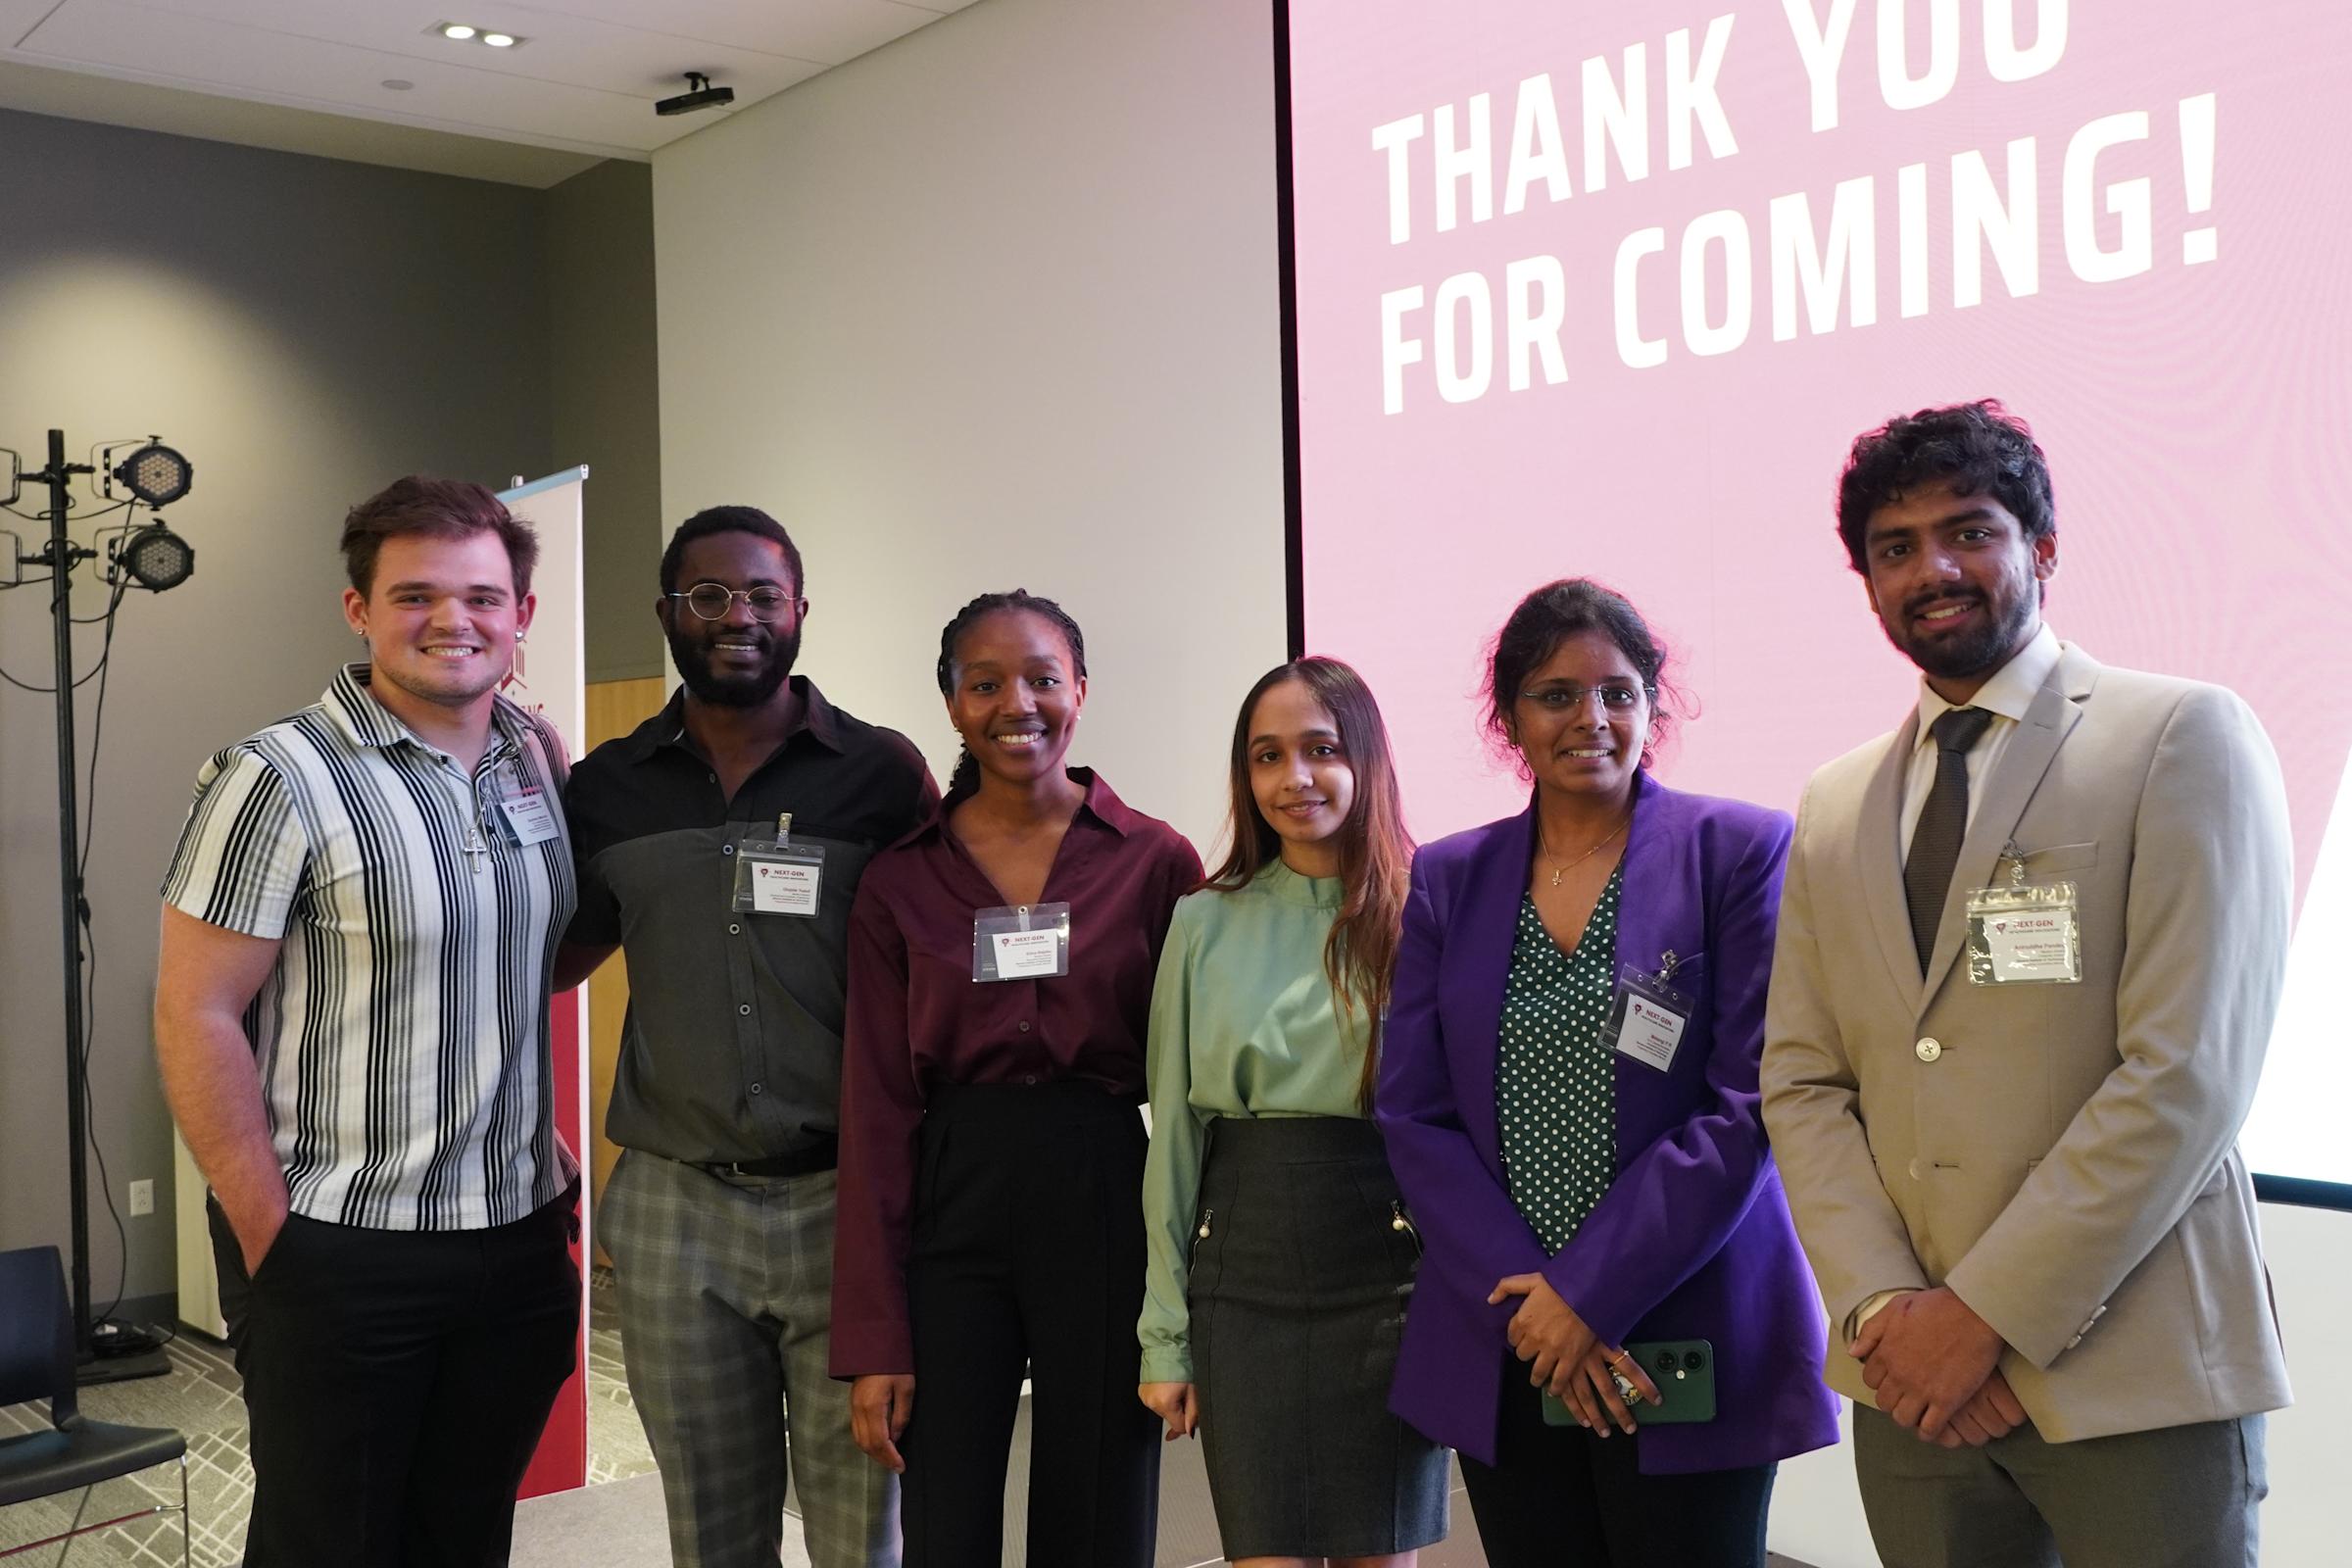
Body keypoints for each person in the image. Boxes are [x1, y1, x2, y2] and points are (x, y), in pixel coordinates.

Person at [1759, 401, 2291, 1568]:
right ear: (1867, 582)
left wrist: (1983, 1317)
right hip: (1911, 1392)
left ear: (2041, 546)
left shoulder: (2178, 735)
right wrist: (1888, 1311)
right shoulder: (1837, 802)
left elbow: (2186, 1072)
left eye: (1969, 531)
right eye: (1896, 548)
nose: (1933, 570)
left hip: (2130, 1376)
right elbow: (1802, 1081)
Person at [155, 476, 579, 1566]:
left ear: (522, 614)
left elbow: (519, 962)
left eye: (483, 597)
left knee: (466, 1535)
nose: (453, 621)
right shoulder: (277, 775)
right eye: (415, 595)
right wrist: (272, 1236)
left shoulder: (536, 756)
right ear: (359, 610)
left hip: (516, 1238)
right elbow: (197, 1011)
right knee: (328, 1543)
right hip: (341, 1244)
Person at [1376, 579, 1838, 1568]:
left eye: (1617, 693)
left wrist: (1588, 1294)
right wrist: (1538, 1309)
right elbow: (1414, 1111)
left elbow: (1746, 1104)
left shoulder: (1738, 851)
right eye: (1557, 695)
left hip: (1685, 1325)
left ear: (1652, 706)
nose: (1591, 718)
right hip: (1507, 1327)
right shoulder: (1451, 876)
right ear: (1509, 719)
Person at [557, 506, 933, 1568]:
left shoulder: (879, 773)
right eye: (710, 595)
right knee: (711, 1532)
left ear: (801, 610)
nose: (739, 616)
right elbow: (556, 954)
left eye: (764, 595)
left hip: (845, 1204)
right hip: (675, 1208)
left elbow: (940, 958)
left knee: (862, 1533)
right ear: (667, 613)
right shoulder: (607, 787)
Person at [830, 590, 1200, 1567]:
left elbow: (1197, 1084)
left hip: (1103, 1181)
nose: (1017, 705)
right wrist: (874, 1338)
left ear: (1080, 689)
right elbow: (874, 1108)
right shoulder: (901, 878)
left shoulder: (1155, 861)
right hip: (953, 1188)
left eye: (1042, 679)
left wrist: (1189, 1307)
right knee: (944, 1509)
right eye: (985, 684)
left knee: (1099, 1502)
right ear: (951, 702)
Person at [1136, 657, 1450, 1567]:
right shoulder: (1203, 920)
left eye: (1321, 749)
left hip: (1389, 1277)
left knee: (1377, 1553)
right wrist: (1165, 1338)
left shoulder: (1426, 909)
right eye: (1267, 756)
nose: (1294, 778)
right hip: (1242, 1281)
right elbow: (1175, 1144)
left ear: (1366, 759)